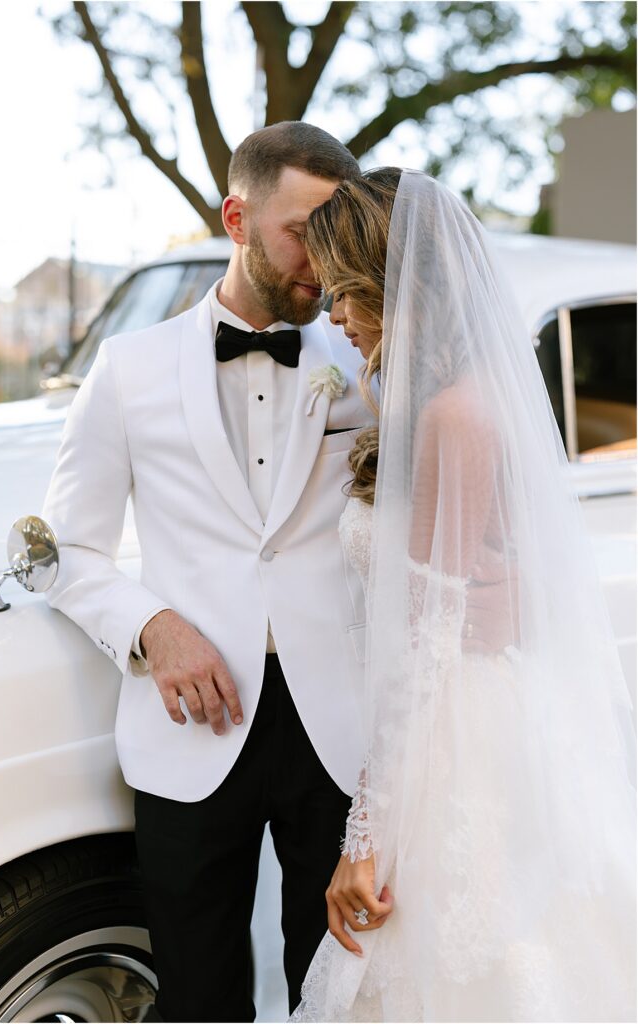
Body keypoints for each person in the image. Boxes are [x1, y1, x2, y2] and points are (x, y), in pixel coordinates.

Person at [41, 121, 374, 1023]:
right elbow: (66, 551)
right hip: (189, 724)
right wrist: (153, 628)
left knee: (341, 987)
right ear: (237, 215)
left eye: (340, 230)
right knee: (196, 993)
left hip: (338, 725)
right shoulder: (127, 367)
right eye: (305, 229)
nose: (325, 258)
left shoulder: (365, 356)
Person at [291, 168, 636, 1022]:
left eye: (341, 292)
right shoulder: (448, 401)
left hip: (454, 733)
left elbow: (424, 646)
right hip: (478, 706)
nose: (332, 315)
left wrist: (363, 842)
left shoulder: (452, 416)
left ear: (391, 284)